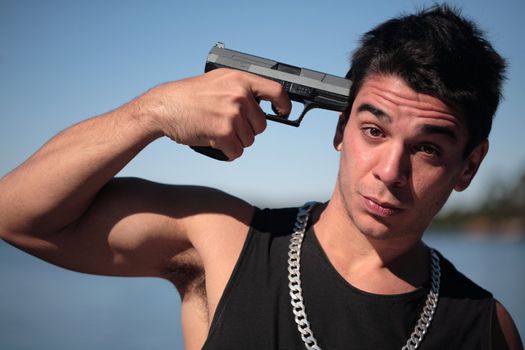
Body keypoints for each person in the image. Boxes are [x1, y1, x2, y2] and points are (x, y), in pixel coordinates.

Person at [0, 4, 522, 350]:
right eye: (374, 130)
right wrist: (152, 112)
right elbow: (17, 215)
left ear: (468, 167)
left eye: (428, 148)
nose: (389, 172)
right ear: (340, 129)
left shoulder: (486, 328)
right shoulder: (222, 242)